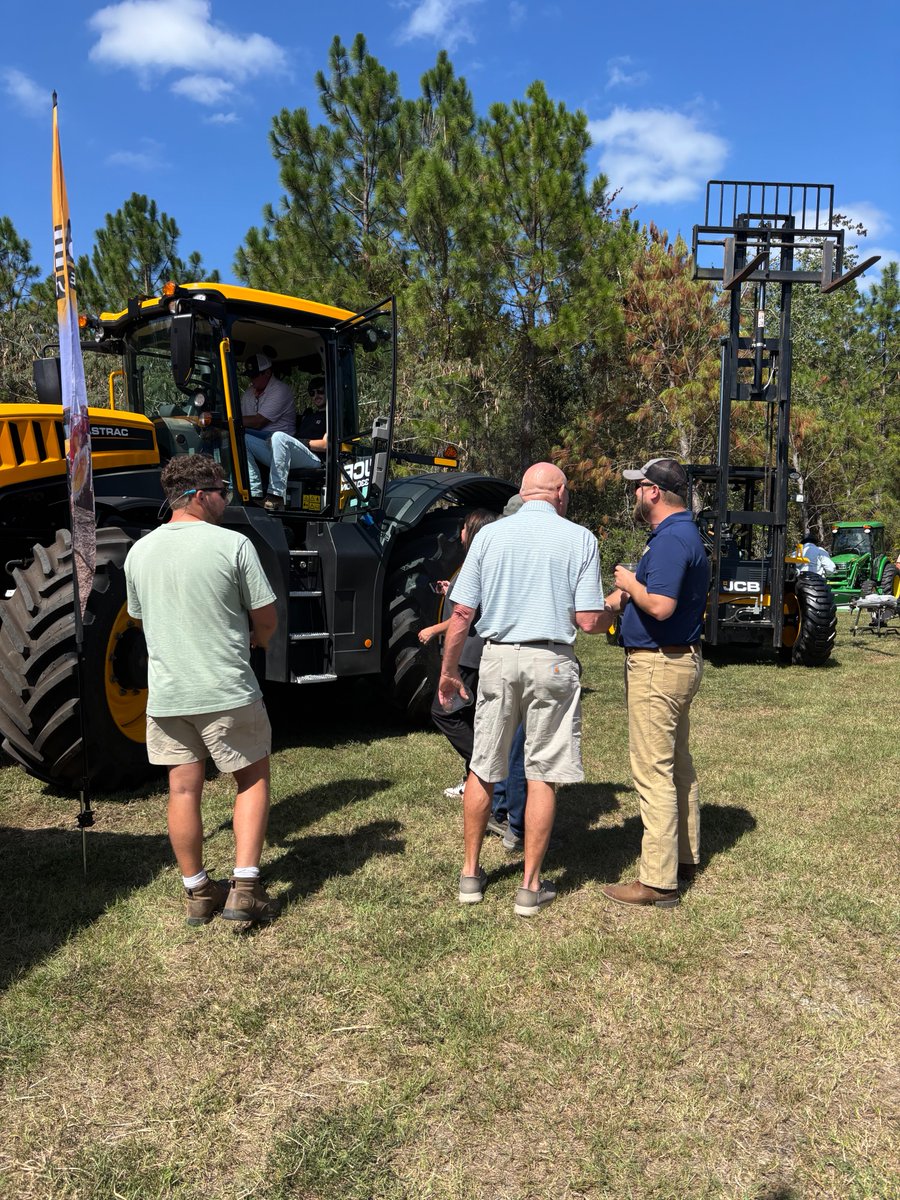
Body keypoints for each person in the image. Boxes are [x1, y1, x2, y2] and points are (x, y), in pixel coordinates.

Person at [438, 462, 612, 917]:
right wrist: (615, 609)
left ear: (524, 492)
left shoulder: (489, 536)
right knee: (542, 773)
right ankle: (530, 887)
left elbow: (461, 613)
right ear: (561, 494)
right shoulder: (580, 539)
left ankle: (470, 875)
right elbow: (589, 621)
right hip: (551, 659)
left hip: (496, 657)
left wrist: (449, 670)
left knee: (483, 766)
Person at [124, 454, 280, 930]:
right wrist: (259, 640)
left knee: (182, 788)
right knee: (251, 779)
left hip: (169, 695)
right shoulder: (233, 544)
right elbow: (266, 617)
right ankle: (245, 890)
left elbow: (138, 618)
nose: (226, 500)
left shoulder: (138, 552)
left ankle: (197, 892)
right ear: (198, 494)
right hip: (226, 688)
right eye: (222, 491)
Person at [602, 457, 710, 909]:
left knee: (653, 771)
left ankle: (658, 882)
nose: (634, 494)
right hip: (678, 660)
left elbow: (661, 606)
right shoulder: (684, 533)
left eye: (638, 486)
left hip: (657, 666)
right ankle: (684, 855)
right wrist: (622, 597)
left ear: (653, 492)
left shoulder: (668, 539)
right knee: (677, 763)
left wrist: (629, 581)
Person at [240, 353, 301, 501]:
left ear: (267, 373)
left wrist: (228, 420)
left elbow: (258, 422)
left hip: (281, 447)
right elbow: (243, 420)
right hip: (259, 443)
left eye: (255, 376)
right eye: (249, 376)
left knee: (241, 439)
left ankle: (254, 493)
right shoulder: (248, 394)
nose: (251, 379)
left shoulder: (280, 390)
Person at [263, 376, 328, 512]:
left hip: (315, 459)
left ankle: (276, 495)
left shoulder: (331, 415)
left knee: (279, 436)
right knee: (247, 439)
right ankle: (255, 493)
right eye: (312, 393)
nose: (316, 396)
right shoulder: (308, 416)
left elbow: (325, 445)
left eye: (320, 391)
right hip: (297, 455)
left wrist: (302, 442)